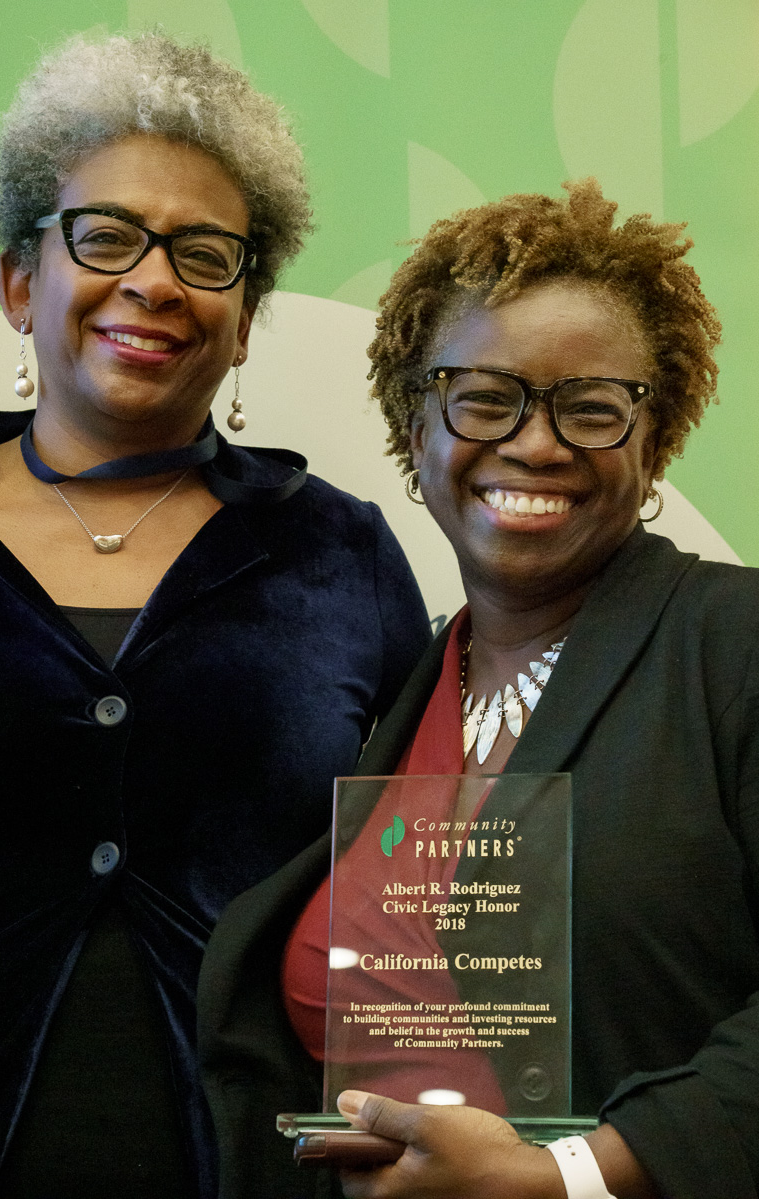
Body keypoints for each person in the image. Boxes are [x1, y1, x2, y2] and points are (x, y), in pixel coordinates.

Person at [0, 32, 431, 1199]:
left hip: (267, 1167)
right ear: (21, 280)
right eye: (106, 236)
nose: (154, 281)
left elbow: (431, 878)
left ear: (246, 315)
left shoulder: (338, 549)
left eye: (204, 254)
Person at [199, 180, 759, 1199]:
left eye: (591, 408)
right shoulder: (410, 687)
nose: (536, 443)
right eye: (486, 398)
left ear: (656, 436)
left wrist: (570, 1176)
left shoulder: (732, 643)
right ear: (418, 428)